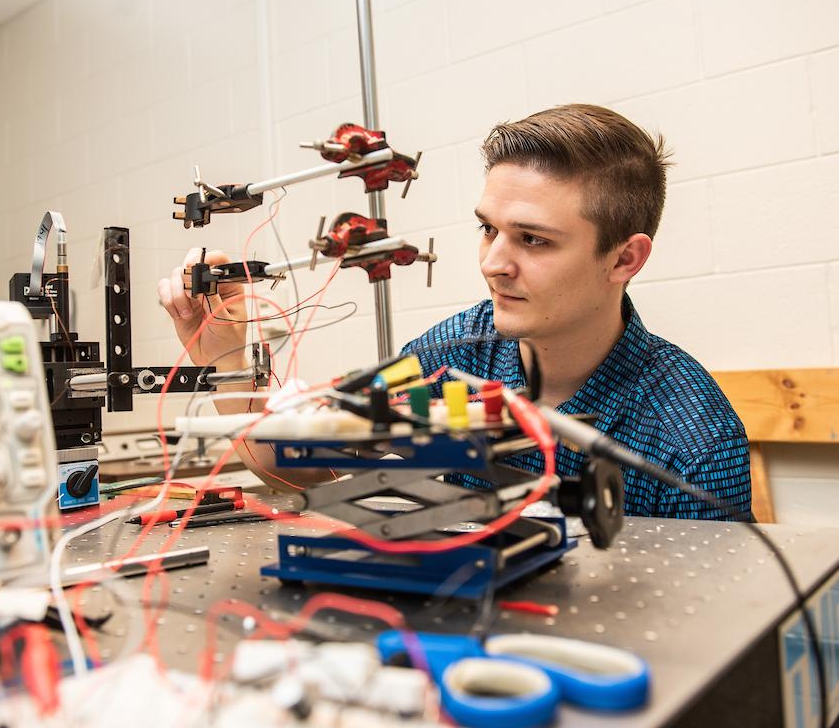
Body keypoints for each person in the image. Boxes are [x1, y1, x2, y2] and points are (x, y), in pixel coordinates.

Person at [158, 104, 752, 520]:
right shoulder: (452, 352)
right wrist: (228, 363)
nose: (494, 263)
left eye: (534, 240)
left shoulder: (691, 439)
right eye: (487, 229)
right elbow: (303, 466)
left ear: (625, 259)